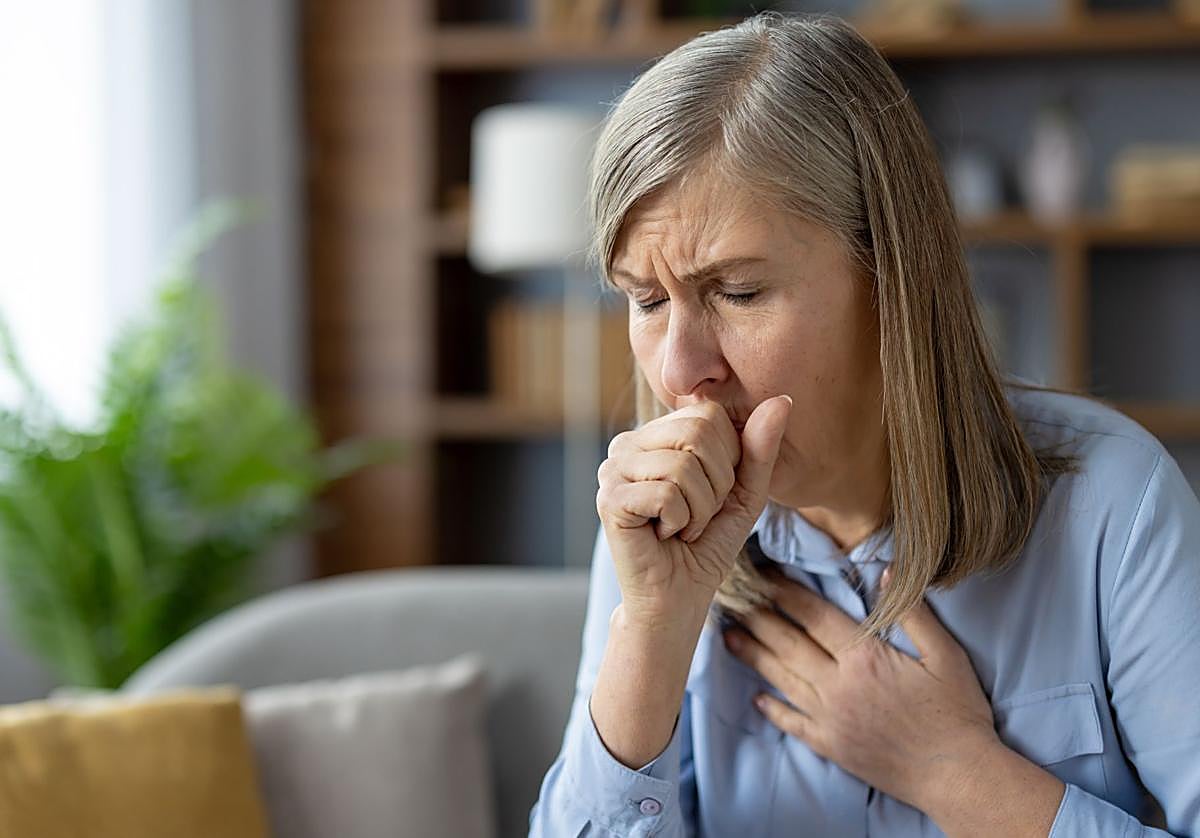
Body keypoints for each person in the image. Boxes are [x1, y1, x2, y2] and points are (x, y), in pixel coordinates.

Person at [528, 11, 1200, 838]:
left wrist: (954, 774)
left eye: (737, 293)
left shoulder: (1115, 510)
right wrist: (650, 634)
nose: (676, 370)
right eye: (647, 300)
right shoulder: (651, 538)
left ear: (891, 277)